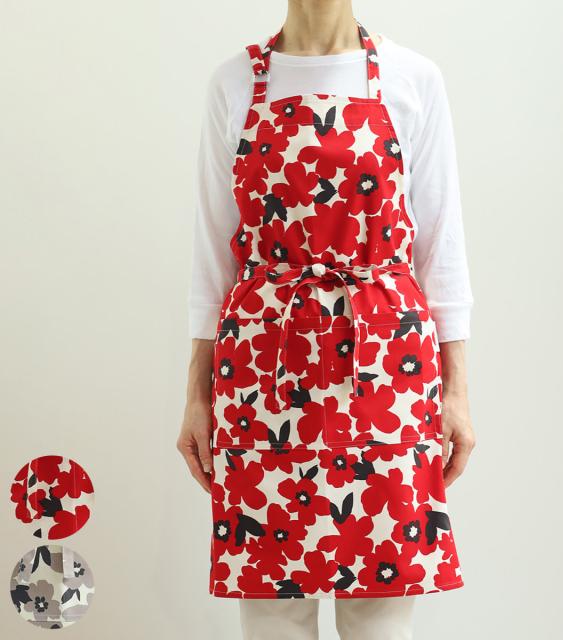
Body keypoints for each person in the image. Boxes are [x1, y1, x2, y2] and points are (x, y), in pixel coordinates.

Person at [177, 1, 475, 638]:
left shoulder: (412, 77)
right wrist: (196, 393)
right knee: (273, 617)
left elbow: (441, 247)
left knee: (380, 618)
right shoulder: (233, 82)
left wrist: (458, 391)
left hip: (386, 368)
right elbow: (212, 255)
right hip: (263, 371)